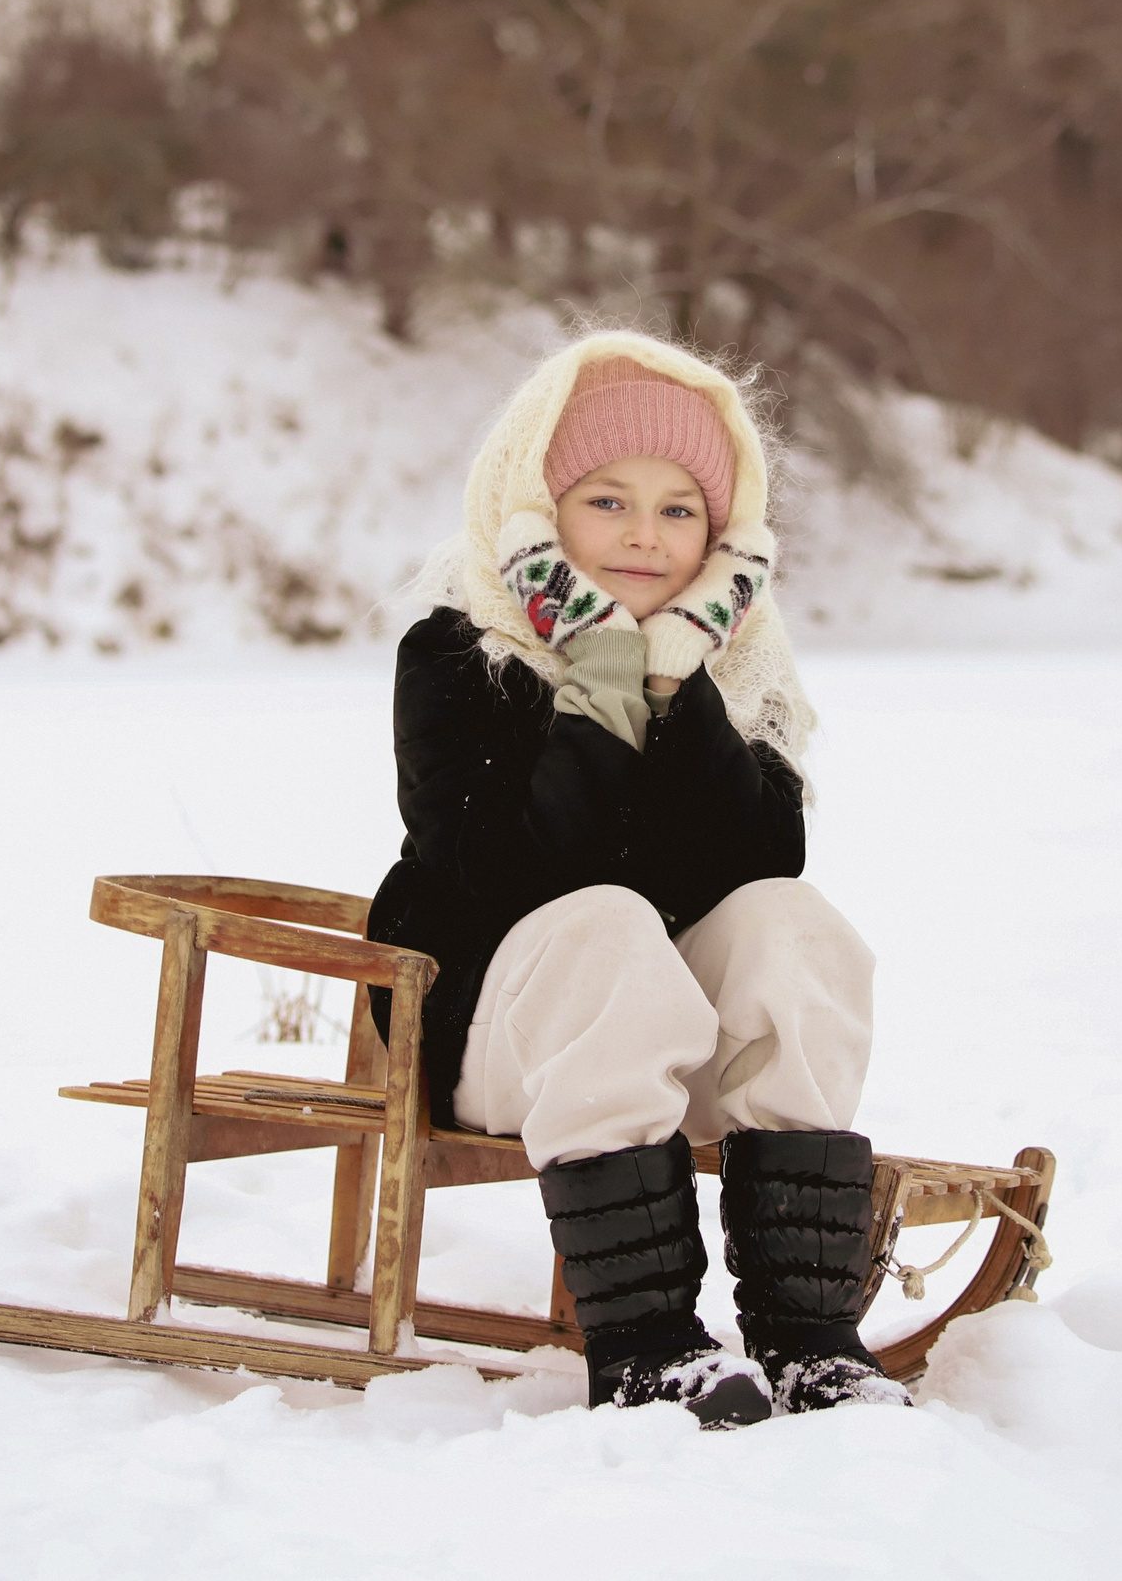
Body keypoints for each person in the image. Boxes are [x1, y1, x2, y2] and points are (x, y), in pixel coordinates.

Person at [368, 330, 905, 1426]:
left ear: (721, 533)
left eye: (677, 510)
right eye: (607, 500)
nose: (643, 536)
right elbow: (503, 873)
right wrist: (602, 679)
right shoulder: (456, 652)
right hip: (502, 1038)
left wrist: (678, 683)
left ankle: (807, 1336)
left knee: (788, 920)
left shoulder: (733, 656)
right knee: (604, 920)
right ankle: (646, 1339)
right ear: (537, 505)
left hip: (677, 1044)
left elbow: (757, 861)